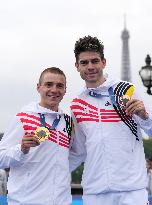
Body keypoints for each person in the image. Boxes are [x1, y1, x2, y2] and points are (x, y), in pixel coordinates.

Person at [69, 35, 152, 205]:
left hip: (132, 191)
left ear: (104, 62)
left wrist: (145, 116)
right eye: (84, 63)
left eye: (95, 61)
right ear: (77, 66)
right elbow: (78, 151)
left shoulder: (126, 90)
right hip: (95, 192)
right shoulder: (76, 104)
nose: (90, 66)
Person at [0, 67, 73, 205]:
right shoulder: (24, 117)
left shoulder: (68, 122)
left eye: (59, 86)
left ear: (65, 90)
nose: (54, 89)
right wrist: (21, 149)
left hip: (61, 201)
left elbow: (72, 157)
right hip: (26, 201)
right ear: (38, 87)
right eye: (48, 84)